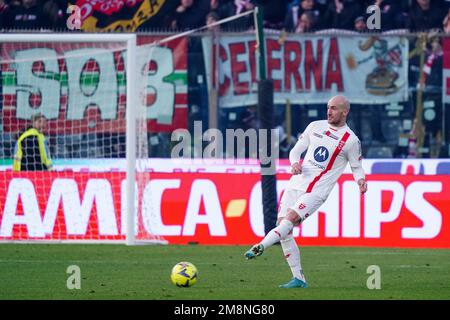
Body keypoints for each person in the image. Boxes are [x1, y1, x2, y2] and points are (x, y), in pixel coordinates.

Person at [244, 95, 367, 288]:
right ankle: (299, 279)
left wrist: (360, 180)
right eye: (328, 107)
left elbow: (356, 166)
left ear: (345, 112)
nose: (329, 111)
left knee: (289, 220)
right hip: (296, 184)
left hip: (317, 191)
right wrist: (294, 163)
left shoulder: (351, 140)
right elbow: (295, 151)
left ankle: (261, 246)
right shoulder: (315, 126)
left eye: (334, 108)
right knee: (283, 229)